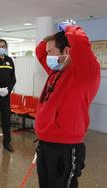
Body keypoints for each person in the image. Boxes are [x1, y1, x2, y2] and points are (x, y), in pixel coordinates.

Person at [35, 22, 101, 188]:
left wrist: (70, 29)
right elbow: (39, 51)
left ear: (67, 51)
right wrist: (54, 37)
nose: (47, 55)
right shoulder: (57, 70)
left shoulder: (84, 73)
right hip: (45, 142)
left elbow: (79, 42)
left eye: (51, 52)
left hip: (65, 146)